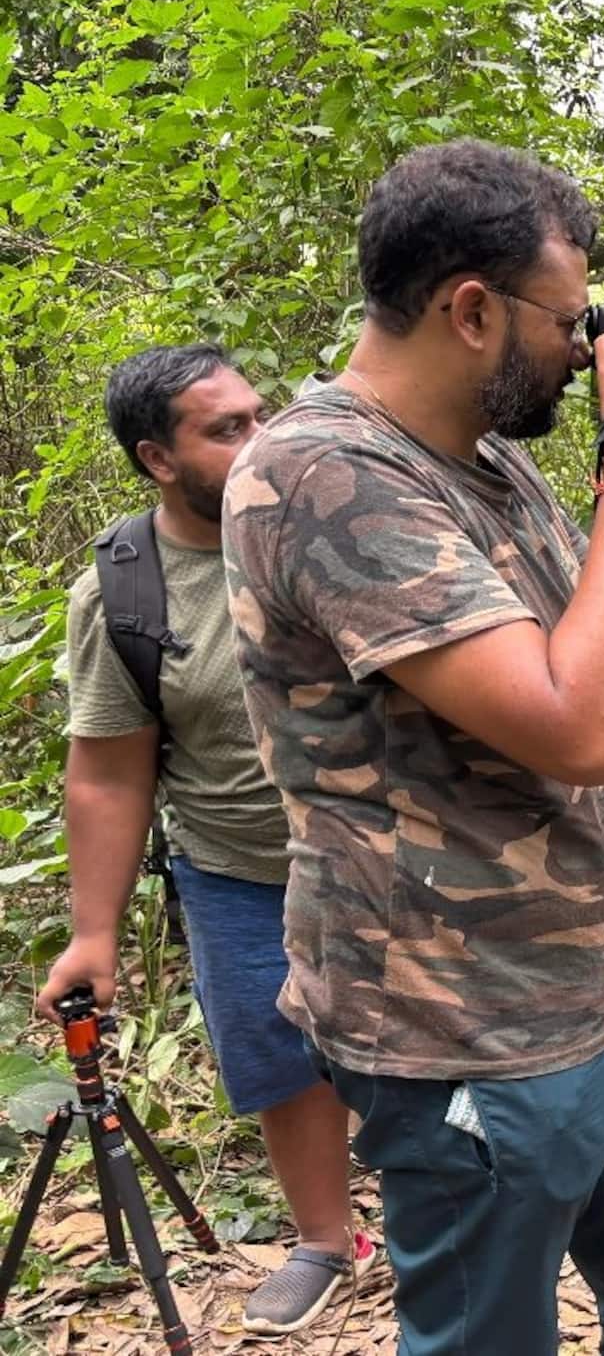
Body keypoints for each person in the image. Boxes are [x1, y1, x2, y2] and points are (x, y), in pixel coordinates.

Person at [220, 138, 604, 1354]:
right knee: (488, 1340)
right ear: (471, 310)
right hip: (466, 1029)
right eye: (567, 320)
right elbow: (574, 733)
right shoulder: (317, 475)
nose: (587, 346)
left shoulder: (497, 463)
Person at [35, 344, 371, 1335]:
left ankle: (474, 1203)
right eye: (225, 429)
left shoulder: (336, 519)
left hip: (390, 851)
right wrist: (92, 933)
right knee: (279, 1055)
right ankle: (322, 1239)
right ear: (157, 459)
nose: (259, 438)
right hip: (236, 868)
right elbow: (107, 767)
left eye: (258, 414)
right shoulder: (127, 592)